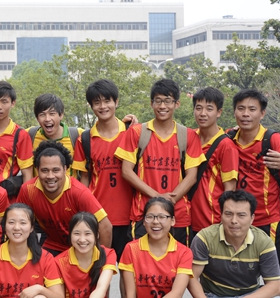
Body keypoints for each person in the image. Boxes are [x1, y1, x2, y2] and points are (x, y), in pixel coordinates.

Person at [229, 88, 280, 298]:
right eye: (241, 108)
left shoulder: (272, 139)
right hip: (235, 222)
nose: (245, 114)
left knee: (274, 278)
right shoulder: (228, 138)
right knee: (238, 277)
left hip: (268, 222)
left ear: (262, 113)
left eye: (252, 109)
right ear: (234, 112)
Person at [115, 79, 204, 245]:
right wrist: (156, 197)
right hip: (144, 213)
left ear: (177, 104)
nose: (163, 106)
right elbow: (126, 171)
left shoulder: (188, 136)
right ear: (151, 103)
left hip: (178, 215)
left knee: (178, 260)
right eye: (158, 101)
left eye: (168, 101)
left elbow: (192, 176)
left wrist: (170, 201)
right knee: (140, 259)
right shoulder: (137, 133)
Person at [73, 79, 135, 261]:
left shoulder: (132, 133)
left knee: (128, 270)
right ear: (91, 106)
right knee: (99, 268)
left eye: (107, 101)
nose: (103, 106)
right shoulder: (85, 139)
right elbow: (84, 179)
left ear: (116, 102)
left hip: (130, 217)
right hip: (98, 216)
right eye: (97, 102)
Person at [17, 141, 112, 254]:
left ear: (65, 169)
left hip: (79, 248)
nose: (50, 176)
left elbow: (105, 227)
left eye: (56, 170)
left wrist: (100, 260)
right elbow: (18, 223)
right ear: (37, 170)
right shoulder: (28, 190)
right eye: (45, 170)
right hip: (51, 244)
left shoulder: (79, 192)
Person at [189, 87, 238, 237]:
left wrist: (225, 223)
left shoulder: (226, 145)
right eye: (198, 108)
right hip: (186, 219)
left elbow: (230, 189)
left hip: (213, 223)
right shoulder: (189, 138)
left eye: (209, 109)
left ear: (219, 112)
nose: (203, 113)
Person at [27, 94, 82, 177]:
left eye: (52, 113)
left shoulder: (78, 135)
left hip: (69, 185)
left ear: (61, 115)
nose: (47, 119)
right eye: (42, 115)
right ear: (37, 118)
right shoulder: (29, 135)